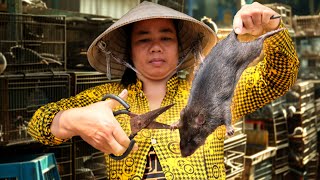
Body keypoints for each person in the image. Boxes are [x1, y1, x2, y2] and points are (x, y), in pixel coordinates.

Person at [28, 1, 299, 179]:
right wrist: (72, 120)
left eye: (165, 38)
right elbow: (37, 125)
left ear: (180, 47)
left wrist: (272, 27)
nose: (155, 47)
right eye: (144, 39)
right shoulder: (107, 100)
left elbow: (277, 77)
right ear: (129, 51)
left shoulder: (209, 93)